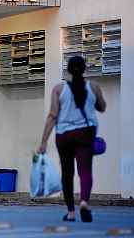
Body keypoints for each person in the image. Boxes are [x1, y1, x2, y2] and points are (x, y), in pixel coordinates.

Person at [37, 56, 106, 222]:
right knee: (85, 171)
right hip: (85, 134)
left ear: (68, 70)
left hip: (64, 136)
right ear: (84, 69)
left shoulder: (59, 89)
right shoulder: (94, 87)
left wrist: (44, 141)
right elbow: (102, 107)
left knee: (67, 174)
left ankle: (71, 212)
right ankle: (83, 202)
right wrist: (92, 101)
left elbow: (53, 116)